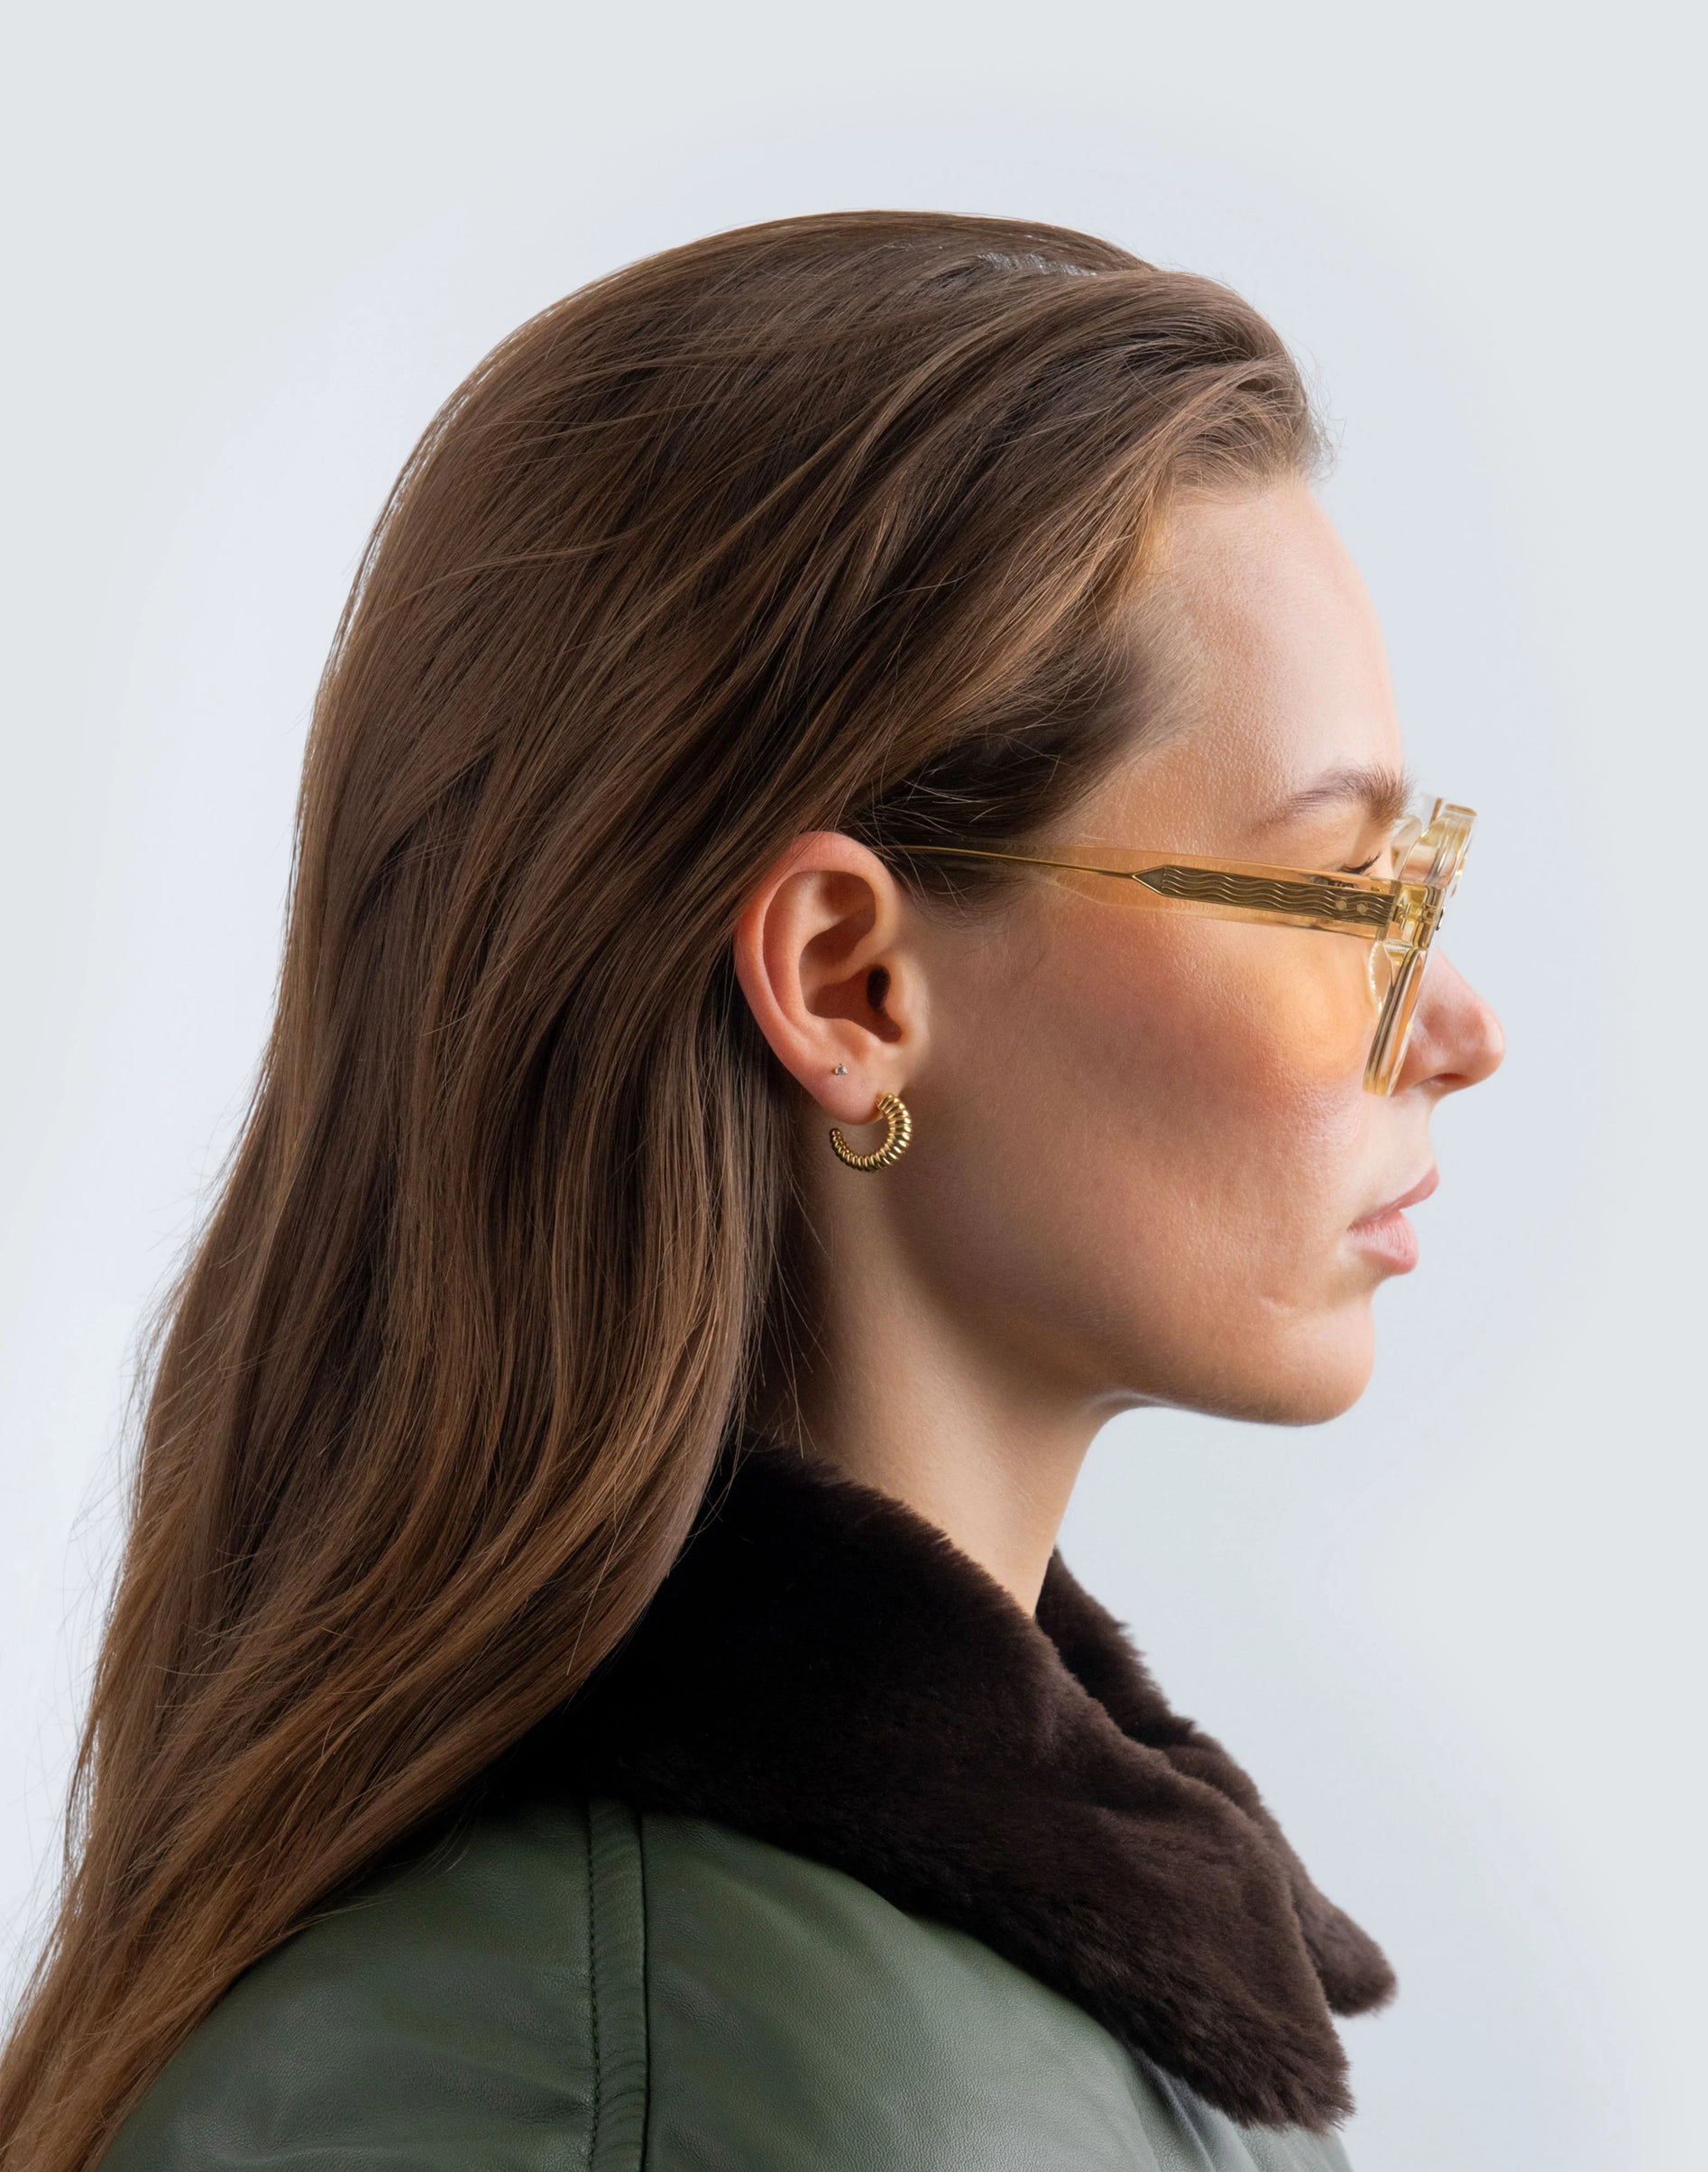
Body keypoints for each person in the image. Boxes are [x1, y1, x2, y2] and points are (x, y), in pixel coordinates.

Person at [0, 209, 1504, 2172]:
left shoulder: (923, 1975)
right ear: (846, 983)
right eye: (1336, 891)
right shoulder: (609, 2076)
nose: (1454, 1021)